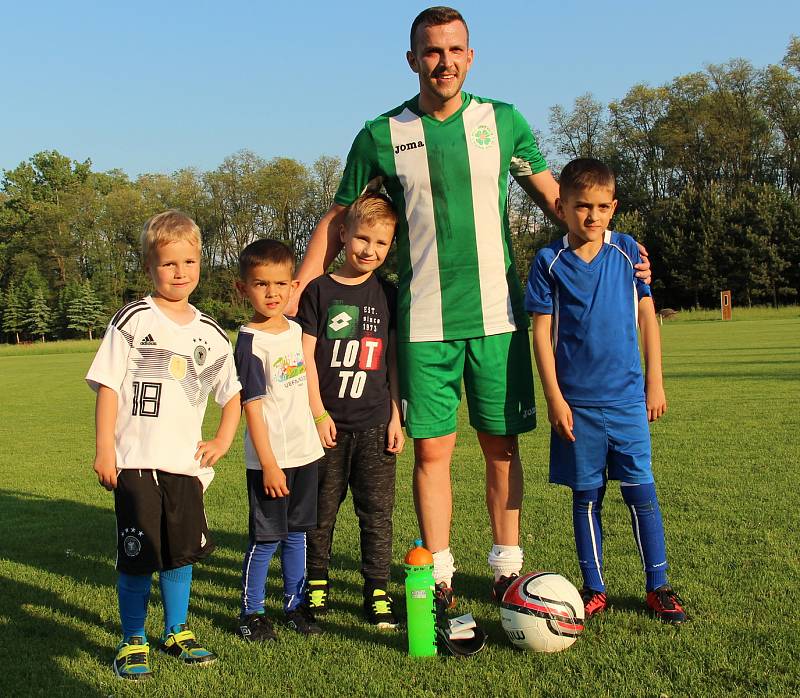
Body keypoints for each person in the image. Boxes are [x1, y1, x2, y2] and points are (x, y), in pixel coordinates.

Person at [294, 6, 651, 607]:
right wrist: (300, 296)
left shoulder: (503, 121)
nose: (444, 62)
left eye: (455, 49)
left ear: (471, 55)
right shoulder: (380, 134)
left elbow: (558, 202)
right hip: (423, 322)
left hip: (499, 320)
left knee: (500, 446)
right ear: (412, 60)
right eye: (432, 52)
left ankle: (507, 567)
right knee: (432, 450)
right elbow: (338, 217)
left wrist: (621, 253)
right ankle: (439, 573)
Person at [525, 158, 687, 624]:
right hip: (577, 406)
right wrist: (554, 397)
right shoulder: (548, 262)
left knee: (641, 492)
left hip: (627, 400)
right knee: (587, 496)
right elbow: (542, 333)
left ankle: (658, 586)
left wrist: (654, 381)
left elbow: (647, 317)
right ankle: (594, 588)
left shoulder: (629, 251)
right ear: (561, 207)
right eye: (581, 206)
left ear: (613, 208)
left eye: (601, 207)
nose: (591, 216)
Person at [86, 210, 242, 680]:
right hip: (135, 461)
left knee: (180, 553)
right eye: (170, 264)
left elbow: (232, 395)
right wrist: (103, 450)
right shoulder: (133, 319)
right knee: (138, 554)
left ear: (201, 264)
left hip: (185, 466)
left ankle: (177, 630)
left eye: (190, 262)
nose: (181, 273)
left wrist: (222, 439)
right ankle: (133, 637)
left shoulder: (210, 332)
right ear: (150, 266)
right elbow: (109, 386)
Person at [296, 192, 404, 628]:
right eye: (362, 238)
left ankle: (376, 590)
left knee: (376, 514)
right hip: (328, 428)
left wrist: (397, 415)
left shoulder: (388, 293)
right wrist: (319, 414)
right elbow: (304, 357)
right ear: (343, 235)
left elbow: (392, 359)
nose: (369, 250)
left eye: (381, 243)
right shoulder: (318, 292)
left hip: (376, 424)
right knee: (321, 512)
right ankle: (316, 584)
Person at [234, 239, 326, 642]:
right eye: (260, 284)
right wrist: (269, 463)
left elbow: (305, 380)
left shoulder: (296, 330)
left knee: (298, 534)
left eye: (279, 284)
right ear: (243, 289)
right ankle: (251, 613)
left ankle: (294, 605)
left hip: (305, 453)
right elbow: (252, 408)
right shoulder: (249, 342)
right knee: (266, 539)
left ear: (292, 286)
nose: (271, 293)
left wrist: (319, 420)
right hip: (270, 461)